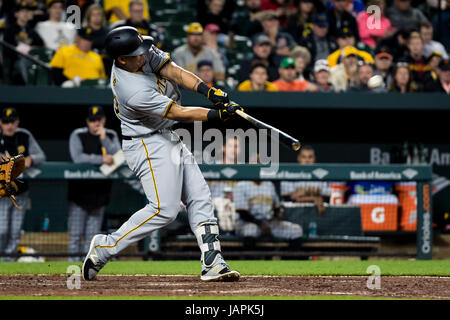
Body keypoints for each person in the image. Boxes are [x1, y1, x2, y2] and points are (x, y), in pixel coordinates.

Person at [82, 26, 241, 282]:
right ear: (122, 59)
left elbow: (173, 71)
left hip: (166, 135)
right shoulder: (131, 89)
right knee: (164, 210)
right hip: (145, 142)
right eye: (137, 53)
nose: (144, 54)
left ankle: (212, 261)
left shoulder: (138, 55)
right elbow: (177, 112)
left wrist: (208, 91)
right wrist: (216, 115)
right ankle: (104, 248)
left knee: (200, 196)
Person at [67, 106, 121, 262]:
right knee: (75, 236)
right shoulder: (78, 134)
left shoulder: (110, 135)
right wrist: (101, 159)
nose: (96, 123)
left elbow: (119, 157)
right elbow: (77, 158)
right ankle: (72, 269)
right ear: (87, 122)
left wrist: (104, 138)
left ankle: (86, 267)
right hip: (79, 194)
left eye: (98, 120)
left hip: (100, 193)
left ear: (103, 120)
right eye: (92, 120)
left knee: (92, 237)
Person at [0, 107, 46, 261]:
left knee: (14, 231)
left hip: (21, 192)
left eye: (12, 122)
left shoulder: (24, 135)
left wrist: (30, 159)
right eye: (6, 122)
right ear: (1, 122)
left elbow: (41, 155)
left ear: (17, 122)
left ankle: (8, 261)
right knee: (2, 230)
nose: (9, 126)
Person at [233, 179, 303, 250]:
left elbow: (277, 208)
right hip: (246, 223)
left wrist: (278, 216)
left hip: (269, 222)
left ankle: (290, 260)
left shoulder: (269, 184)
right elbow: (242, 213)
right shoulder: (241, 185)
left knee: (295, 230)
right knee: (251, 230)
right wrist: (260, 224)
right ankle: (250, 259)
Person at [280, 145, 329, 214]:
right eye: (304, 157)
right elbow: (290, 199)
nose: (307, 160)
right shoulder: (290, 174)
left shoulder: (321, 176)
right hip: (294, 213)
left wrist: (301, 196)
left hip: (316, 212)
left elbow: (325, 198)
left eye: (310, 157)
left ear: (314, 159)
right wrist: (314, 198)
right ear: (299, 158)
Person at [2, 4, 43, 85]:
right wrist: (20, 51)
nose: (25, 14)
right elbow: (6, 49)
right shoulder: (10, 30)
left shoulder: (31, 30)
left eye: (27, 12)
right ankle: (30, 87)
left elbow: (40, 45)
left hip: (32, 59)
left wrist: (32, 50)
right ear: (16, 14)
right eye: (22, 11)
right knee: (23, 62)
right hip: (16, 60)